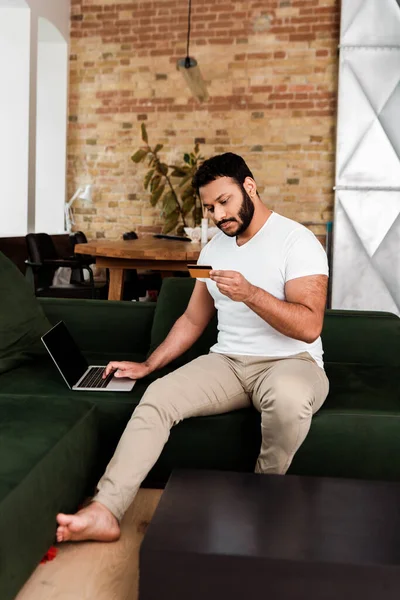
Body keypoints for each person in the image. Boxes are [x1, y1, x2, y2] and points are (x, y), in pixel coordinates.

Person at [56, 152, 329, 543]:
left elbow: (309, 325)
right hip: (230, 363)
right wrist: (149, 365)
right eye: (210, 207)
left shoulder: (297, 241)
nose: (218, 215)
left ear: (249, 187)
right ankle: (105, 510)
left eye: (225, 202)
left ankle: (262, 503)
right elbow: (193, 320)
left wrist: (250, 293)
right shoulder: (216, 246)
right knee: (159, 396)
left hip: (292, 361)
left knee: (288, 400)